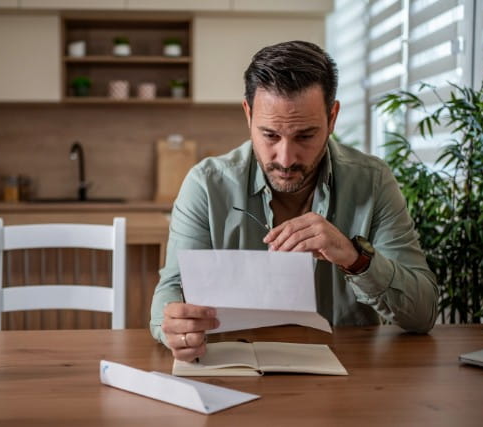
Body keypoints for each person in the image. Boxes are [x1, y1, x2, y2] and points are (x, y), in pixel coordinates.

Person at [150, 40, 438, 362]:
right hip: (234, 370)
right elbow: (172, 289)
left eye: (305, 136)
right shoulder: (206, 185)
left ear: (332, 117)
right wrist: (172, 327)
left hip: (349, 380)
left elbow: (423, 313)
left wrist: (354, 258)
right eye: (270, 135)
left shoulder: (372, 181)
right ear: (248, 114)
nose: (286, 159)